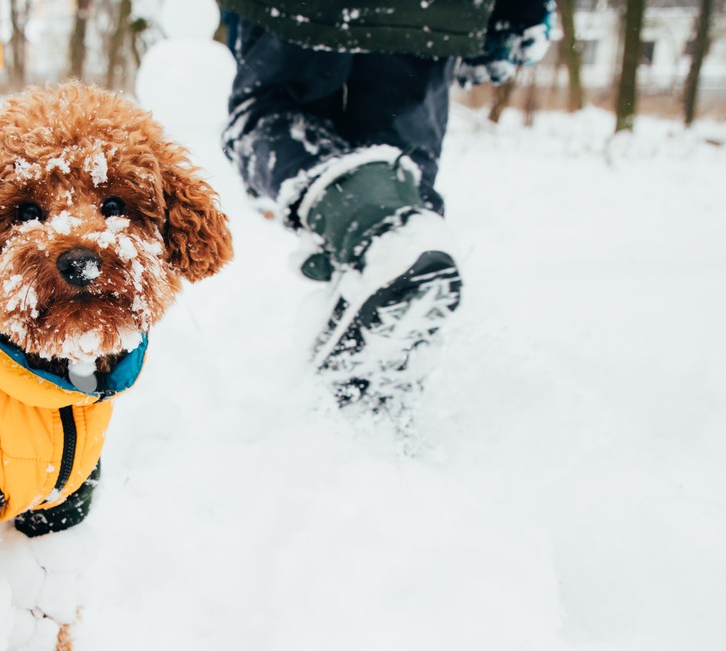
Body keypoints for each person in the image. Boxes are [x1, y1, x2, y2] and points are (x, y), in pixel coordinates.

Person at [218, 0, 554, 410]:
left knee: (275, 118)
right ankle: (393, 299)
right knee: (402, 158)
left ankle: (386, 238)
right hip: (435, 10)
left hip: (303, 10)